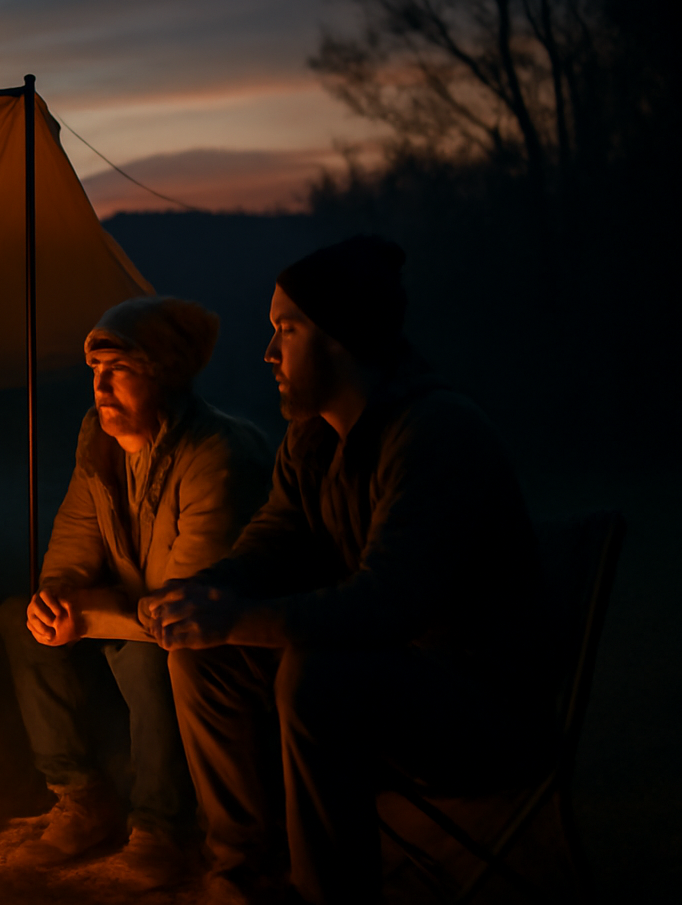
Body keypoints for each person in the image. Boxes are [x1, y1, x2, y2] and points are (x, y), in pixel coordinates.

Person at [150, 236, 546, 905]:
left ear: (340, 337)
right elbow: (275, 543)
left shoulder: (434, 433)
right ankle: (247, 874)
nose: (269, 352)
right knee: (204, 657)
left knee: (318, 674)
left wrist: (241, 618)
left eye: (286, 329)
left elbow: (385, 605)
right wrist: (209, 592)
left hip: (476, 707)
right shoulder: (312, 439)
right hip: (388, 682)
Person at [0, 296, 273, 889]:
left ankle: (160, 830)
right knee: (22, 621)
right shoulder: (100, 445)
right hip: (127, 619)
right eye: (96, 369)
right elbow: (73, 541)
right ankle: (82, 798)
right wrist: (57, 599)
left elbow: (188, 608)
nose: (100, 385)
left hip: (215, 646)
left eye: (118, 369)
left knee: (158, 657)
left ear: (163, 373)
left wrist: (90, 615)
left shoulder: (217, 457)